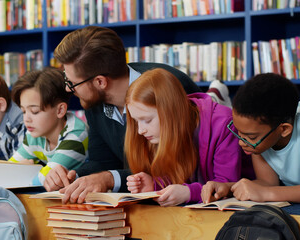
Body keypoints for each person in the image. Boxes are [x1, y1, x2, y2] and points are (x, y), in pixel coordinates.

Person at [50, 26, 232, 203]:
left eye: (72, 83)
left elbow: (179, 170)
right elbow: (103, 161)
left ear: (100, 82)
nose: (67, 88)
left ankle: (214, 97)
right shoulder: (93, 101)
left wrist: (109, 179)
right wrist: (75, 176)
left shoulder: (167, 87)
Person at [201, 73, 300, 204]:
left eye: (250, 136)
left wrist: (266, 195)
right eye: (239, 132)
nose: (241, 141)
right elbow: (268, 183)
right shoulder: (260, 139)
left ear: (284, 130)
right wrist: (229, 188)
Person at [124, 68, 250, 206]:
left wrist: (189, 193)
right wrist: (154, 185)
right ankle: (214, 95)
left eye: (147, 120)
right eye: (136, 121)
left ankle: (216, 97)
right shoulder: (158, 132)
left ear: (171, 112)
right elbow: (181, 176)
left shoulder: (225, 124)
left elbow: (225, 187)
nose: (140, 131)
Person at [9, 67, 89, 187]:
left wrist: (23, 172)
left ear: (60, 110)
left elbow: (46, 180)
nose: (26, 119)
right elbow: (5, 169)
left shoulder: (76, 135)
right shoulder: (34, 132)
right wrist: (17, 170)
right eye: (24, 111)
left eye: (35, 111)